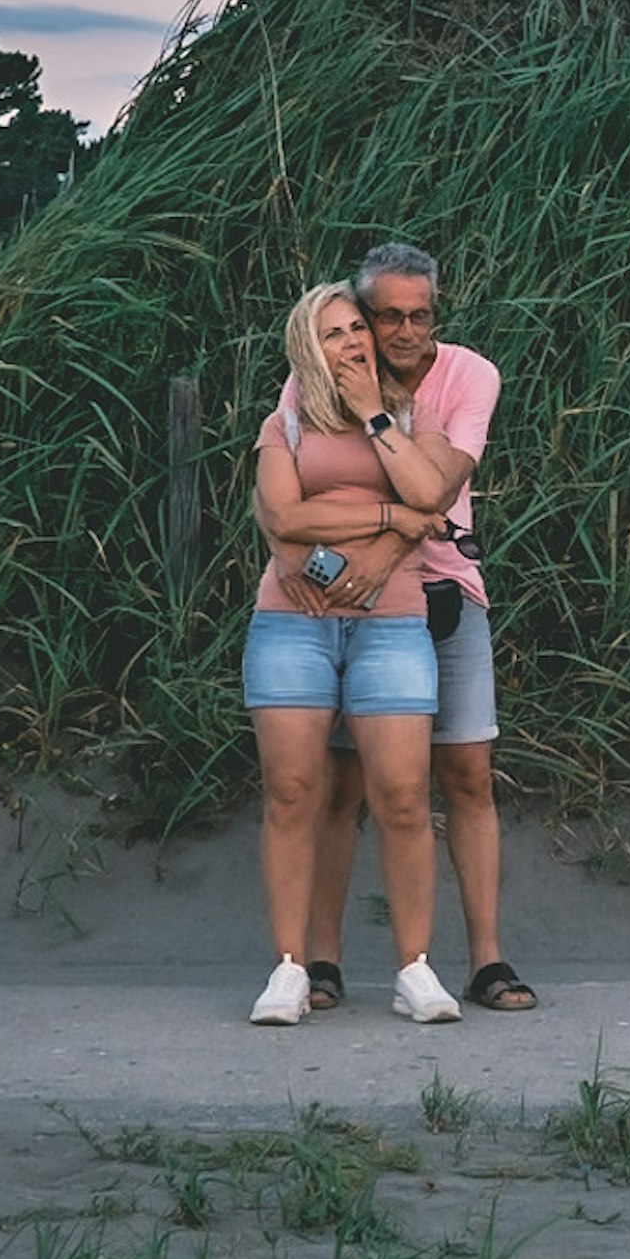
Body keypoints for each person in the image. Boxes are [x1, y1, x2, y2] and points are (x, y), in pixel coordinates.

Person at [280, 241, 532, 1014]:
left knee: (467, 775)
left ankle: (486, 961)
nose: (404, 332)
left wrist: (386, 551)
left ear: (437, 314)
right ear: (362, 314)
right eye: (386, 315)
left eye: (419, 315)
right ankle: (321, 961)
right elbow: (281, 497)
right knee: (342, 784)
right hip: (351, 604)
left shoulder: (468, 375)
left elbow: (441, 488)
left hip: (445, 590)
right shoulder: (317, 374)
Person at [243, 280, 471, 1026]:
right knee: (292, 793)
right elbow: (282, 513)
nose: (350, 342)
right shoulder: (286, 421)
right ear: (309, 345)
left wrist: (377, 416)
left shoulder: (412, 413)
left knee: (403, 796)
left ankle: (414, 969)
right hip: (294, 621)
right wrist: (384, 515)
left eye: (355, 329)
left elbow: (429, 493)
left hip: (393, 623)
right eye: (333, 332)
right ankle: (289, 968)